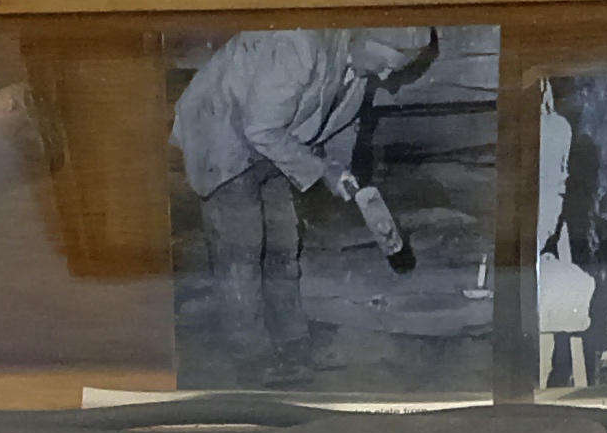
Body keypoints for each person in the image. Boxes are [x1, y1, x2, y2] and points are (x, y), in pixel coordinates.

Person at [168, 27, 433, 381]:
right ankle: (250, 356)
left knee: (283, 246)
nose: (387, 78)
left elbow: (342, 126)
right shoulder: (300, 46)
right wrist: (321, 171)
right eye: (386, 65)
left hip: (275, 146)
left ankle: (292, 340)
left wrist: (342, 174)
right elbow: (260, 128)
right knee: (242, 253)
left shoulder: (358, 70)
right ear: (365, 40)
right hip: (222, 133)